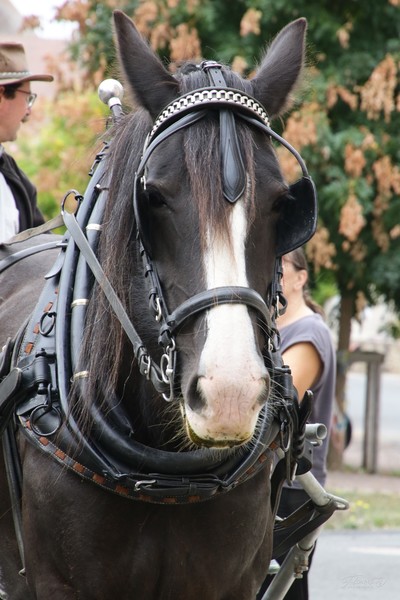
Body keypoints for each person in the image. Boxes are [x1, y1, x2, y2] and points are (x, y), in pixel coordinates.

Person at [257, 246, 336, 600]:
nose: (272, 267)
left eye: (282, 263)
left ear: (301, 278)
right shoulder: (272, 329)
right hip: (270, 483)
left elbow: (275, 404)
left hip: (291, 491)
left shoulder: (308, 332)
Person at [0, 42, 53, 243]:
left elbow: (43, 254)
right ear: (1, 95)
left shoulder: (15, 178)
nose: (28, 111)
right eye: (27, 98)